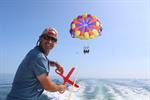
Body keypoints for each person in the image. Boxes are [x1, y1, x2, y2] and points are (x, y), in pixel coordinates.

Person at [6, 27, 66, 100]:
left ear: (55, 43)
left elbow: (42, 61)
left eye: (53, 39)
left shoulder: (35, 53)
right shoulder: (39, 57)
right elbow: (48, 87)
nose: (50, 41)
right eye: (47, 37)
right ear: (40, 38)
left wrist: (56, 64)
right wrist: (61, 87)